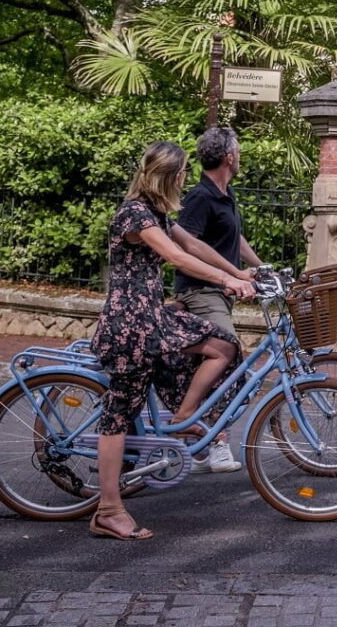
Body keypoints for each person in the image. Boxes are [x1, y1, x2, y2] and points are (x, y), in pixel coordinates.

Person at [89, 141, 257, 542]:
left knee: (222, 346)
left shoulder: (156, 214)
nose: (186, 179)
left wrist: (240, 272)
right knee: (118, 410)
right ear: (173, 176)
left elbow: (194, 246)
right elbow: (178, 259)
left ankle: (182, 419)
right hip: (131, 323)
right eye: (183, 174)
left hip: (150, 315)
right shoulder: (135, 214)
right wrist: (227, 281)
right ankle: (108, 509)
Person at [173, 127, 263, 473]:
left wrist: (257, 267)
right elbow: (190, 246)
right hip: (200, 293)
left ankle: (195, 446)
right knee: (228, 353)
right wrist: (232, 275)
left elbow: (234, 239)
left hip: (218, 293)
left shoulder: (225, 194)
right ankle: (217, 442)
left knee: (207, 363)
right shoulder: (200, 197)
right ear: (229, 158)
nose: (239, 158)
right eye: (237, 152)